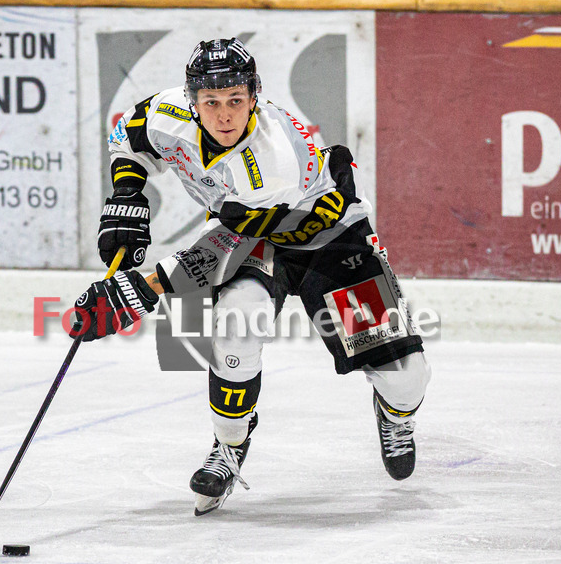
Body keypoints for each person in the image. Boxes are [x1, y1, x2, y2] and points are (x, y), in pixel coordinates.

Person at [71, 37, 431, 516]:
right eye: (211, 102)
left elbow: (224, 245)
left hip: (329, 235)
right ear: (192, 101)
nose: (224, 116)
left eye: (236, 101)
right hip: (252, 236)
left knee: (406, 379)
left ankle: (395, 411)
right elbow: (128, 138)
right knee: (236, 325)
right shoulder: (167, 112)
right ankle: (229, 445)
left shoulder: (274, 159)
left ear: (254, 96)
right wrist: (127, 195)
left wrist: (140, 290)